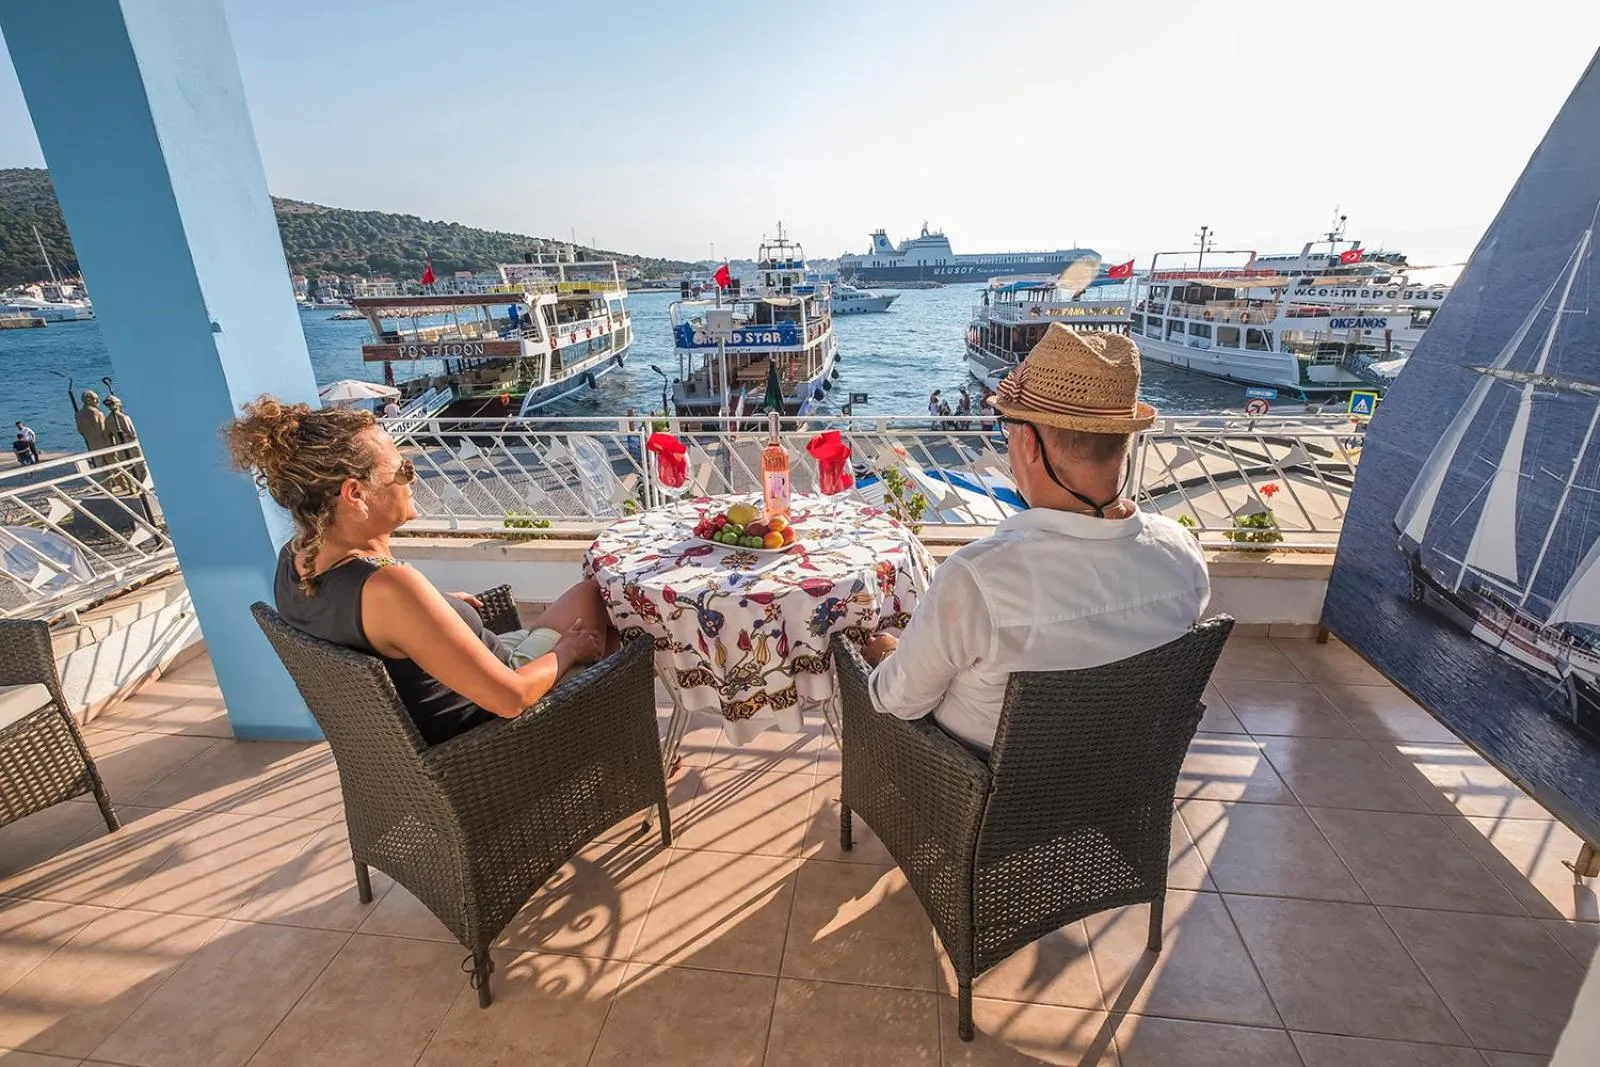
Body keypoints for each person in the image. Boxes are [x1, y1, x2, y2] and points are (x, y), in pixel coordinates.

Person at [861, 326, 1210, 751]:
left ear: (1027, 442)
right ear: (1125, 441)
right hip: (1126, 774)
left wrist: (884, 654)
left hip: (981, 794)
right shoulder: (1182, 552)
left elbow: (899, 701)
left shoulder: (977, 580)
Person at [226, 397, 615, 746]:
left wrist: (439, 608)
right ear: (355, 494)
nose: (413, 480)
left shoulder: (296, 560)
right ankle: (606, 744)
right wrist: (567, 651)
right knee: (607, 602)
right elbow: (510, 698)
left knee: (589, 598)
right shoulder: (388, 588)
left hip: (447, 698)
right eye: (403, 470)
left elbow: (369, 628)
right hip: (492, 726)